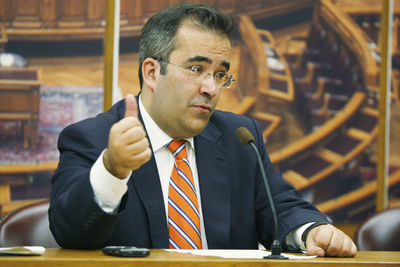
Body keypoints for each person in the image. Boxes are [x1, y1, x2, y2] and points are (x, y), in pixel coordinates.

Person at [49, 3, 357, 257]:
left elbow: (281, 207)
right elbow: (71, 233)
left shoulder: (240, 137)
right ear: (153, 72)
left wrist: (312, 230)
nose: (211, 88)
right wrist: (113, 169)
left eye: (220, 74)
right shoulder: (92, 139)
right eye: (197, 70)